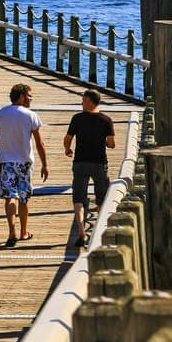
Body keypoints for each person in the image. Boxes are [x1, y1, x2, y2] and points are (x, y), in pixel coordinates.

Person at [0, 82, 48, 247]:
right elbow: (39, 143)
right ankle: (23, 233)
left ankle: (11, 232)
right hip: (24, 163)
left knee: (10, 197)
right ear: (21, 96)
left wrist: (6, 146)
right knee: (23, 198)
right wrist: (45, 164)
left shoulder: (0, 113)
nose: (31, 99)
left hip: (6, 162)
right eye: (29, 96)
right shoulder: (30, 115)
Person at [64, 87, 116, 246]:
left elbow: (67, 138)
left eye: (83, 100)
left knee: (79, 199)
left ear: (88, 102)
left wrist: (68, 149)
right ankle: (99, 232)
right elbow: (112, 144)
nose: (81, 103)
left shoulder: (77, 118)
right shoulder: (106, 120)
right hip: (99, 163)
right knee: (101, 200)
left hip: (80, 162)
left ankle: (81, 232)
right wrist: (105, 141)